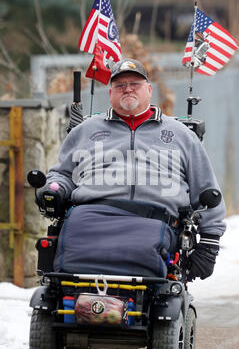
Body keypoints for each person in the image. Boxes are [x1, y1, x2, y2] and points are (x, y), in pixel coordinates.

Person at [37, 58, 226, 281]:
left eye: (134, 84)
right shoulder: (85, 131)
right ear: (110, 93)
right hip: (91, 217)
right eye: (120, 85)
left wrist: (209, 244)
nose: (127, 89)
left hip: (156, 220)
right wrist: (54, 187)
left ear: (148, 89)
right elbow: (63, 174)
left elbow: (207, 189)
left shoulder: (181, 135)